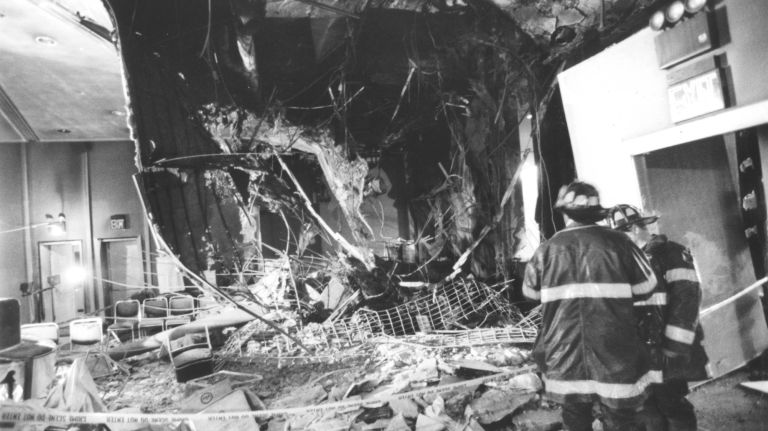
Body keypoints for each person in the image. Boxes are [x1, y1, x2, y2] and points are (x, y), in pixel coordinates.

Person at [523, 181, 660, 431]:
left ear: (565, 212)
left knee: (575, 415)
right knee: (620, 416)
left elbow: (529, 292)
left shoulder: (546, 249)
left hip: (563, 351)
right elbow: (647, 286)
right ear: (597, 211)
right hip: (615, 348)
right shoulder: (620, 243)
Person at [607, 204, 709, 431]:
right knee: (647, 408)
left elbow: (686, 300)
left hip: (667, 348)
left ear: (634, 228)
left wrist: (673, 347)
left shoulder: (671, 253)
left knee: (671, 403)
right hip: (641, 352)